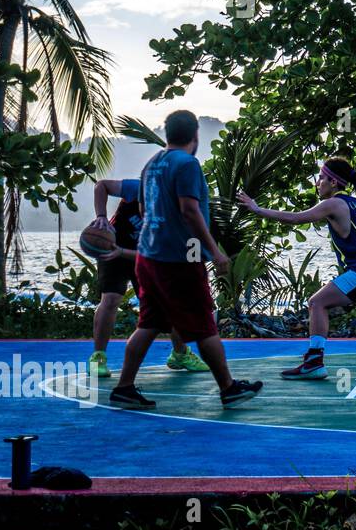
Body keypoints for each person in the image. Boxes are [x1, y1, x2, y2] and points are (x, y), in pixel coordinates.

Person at [108, 110, 262, 409]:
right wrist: (214, 252)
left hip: (148, 256)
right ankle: (228, 388)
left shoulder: (152, 163)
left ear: (167, 134)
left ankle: (124, 387)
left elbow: (141, 210)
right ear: (195, 136)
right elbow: (190, 210)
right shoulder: (187, 164)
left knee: (149, 323)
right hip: (179, 259)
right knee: (204, 323)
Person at [236, 157, 356, 379]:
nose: (317, 182)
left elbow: (295, 218)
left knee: (317, 302)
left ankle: (314, 361)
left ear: (333, 182)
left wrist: (257, 209)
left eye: (321, 178)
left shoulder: (333, 203)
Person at [87, 177, 208, 377]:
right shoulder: (140, 187)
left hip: (142, 255)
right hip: (111, 248)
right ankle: (98, 357)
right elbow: (102, 185)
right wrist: (101, 216)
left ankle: (180, 354)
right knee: (110, 298)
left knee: (173, 302)